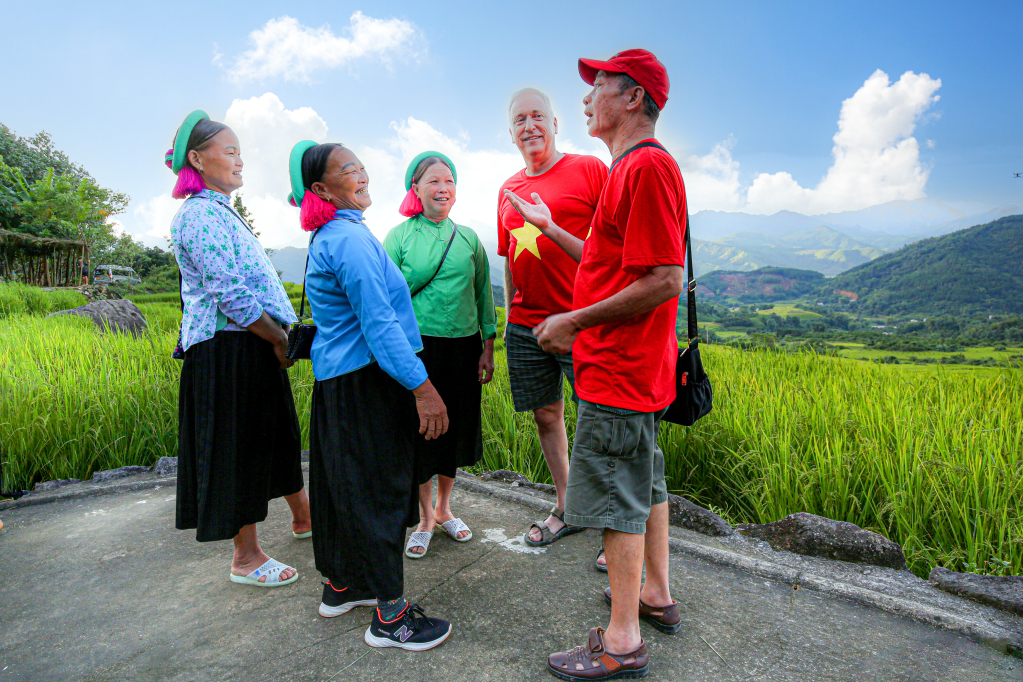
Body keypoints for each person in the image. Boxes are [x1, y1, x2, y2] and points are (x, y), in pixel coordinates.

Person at [504, 50, 687, 680]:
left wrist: (574, 322)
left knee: (614, 495)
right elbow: (610, 262)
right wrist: (549, 228)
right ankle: (655, 597)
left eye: (599, 86)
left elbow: (666, 279)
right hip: (627, 366)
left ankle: (621, 640)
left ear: (632, 97)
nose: (587, 99)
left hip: (619, 365)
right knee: (644, 483)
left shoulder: (646, 169)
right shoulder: (628, 169)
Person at [290, 140, 453, 651]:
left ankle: (342, 586)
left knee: (345, 488)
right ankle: (391, 618)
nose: (360, 174)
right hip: (365, 383)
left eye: (360, 165)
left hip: (339, 384)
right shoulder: (351, 240)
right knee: (378, 493)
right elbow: (379, 324)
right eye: (347, 170)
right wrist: (423, 387)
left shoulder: (335, 235)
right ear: (321, 189)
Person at [167, 110, 311, 589]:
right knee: (236, 450)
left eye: (239, 151)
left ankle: (304, 517)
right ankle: (245, 558)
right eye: (230, 151)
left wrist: (274, 338)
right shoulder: (198, 213)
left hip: (252, 342)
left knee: (279, 436)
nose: (240, 161)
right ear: (197, 158)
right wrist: (278, 338)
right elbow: (230, 292)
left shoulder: (220, 208)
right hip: (227, 349)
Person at [497, 88, 608, 552]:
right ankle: (567, 506)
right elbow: (507, 259)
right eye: (520, 119)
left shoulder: (589, 170)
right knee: (547, 415)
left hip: (582, 321)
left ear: (556, 122)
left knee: (599, 420)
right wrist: (507, 318)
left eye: (538, 116)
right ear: (511, 131)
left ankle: (614, 528)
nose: (530, 126)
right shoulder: (508, 188)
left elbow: (612, 248)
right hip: (527, 325)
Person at [384, 151, 497, 559]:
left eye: (448, 180)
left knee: (454, 429)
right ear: (415, 189)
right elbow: (386, 297)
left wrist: (487, 345)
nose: (442, 187)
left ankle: (446, 508)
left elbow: (483, 292)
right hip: (418, 348)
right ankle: (425, 516)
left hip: (464, 347)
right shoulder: (399, 237)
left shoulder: (468, 238)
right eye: (433, 180)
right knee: (420, 430)